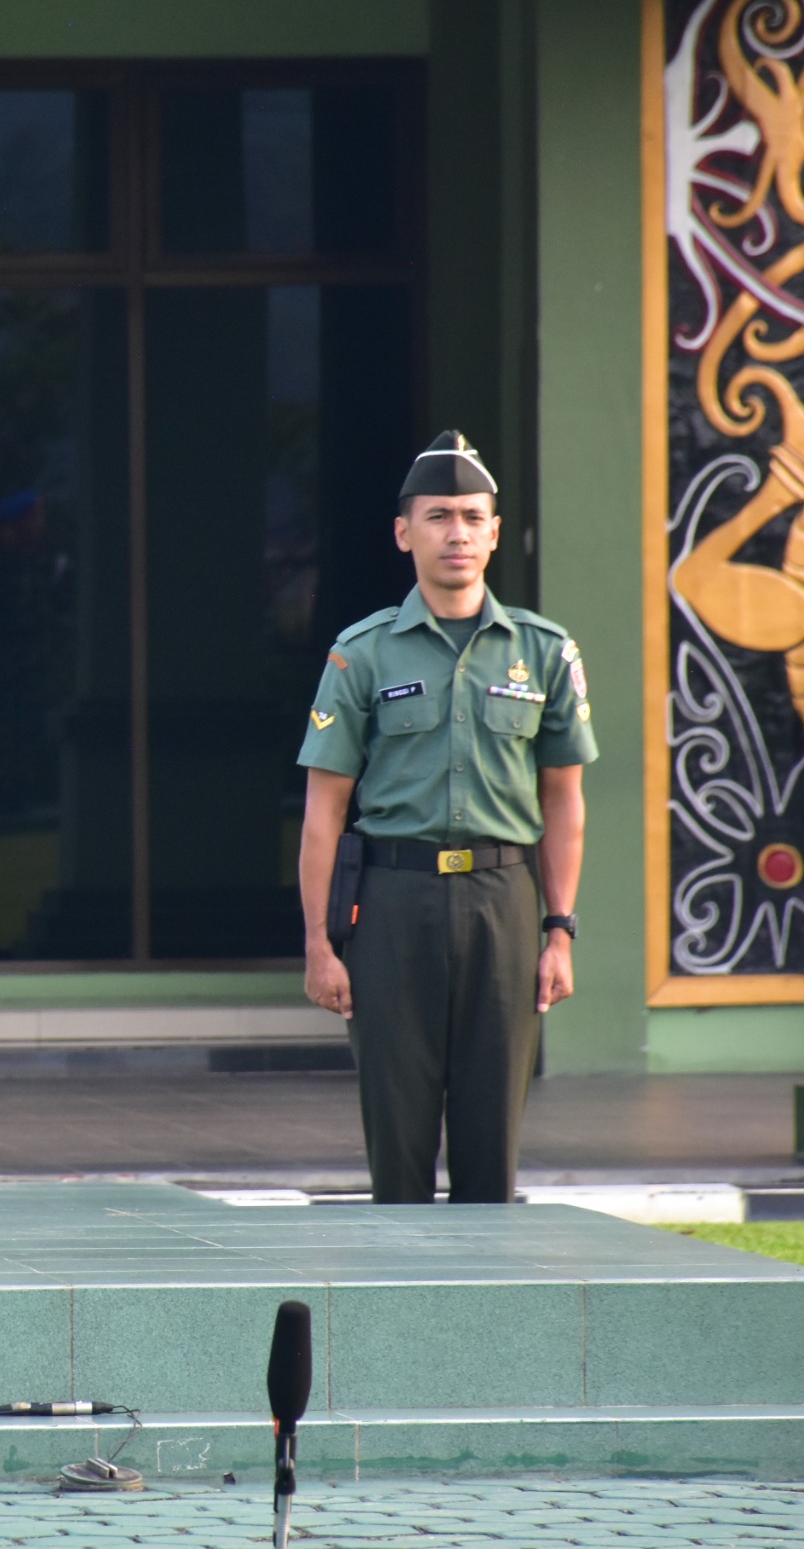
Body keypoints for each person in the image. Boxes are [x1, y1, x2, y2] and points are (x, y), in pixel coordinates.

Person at [294, 431, 596, 1204]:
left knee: (493, 1134)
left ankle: (486, 1309)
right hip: (393, 905)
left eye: (472, 516)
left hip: (505, 903)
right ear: (405, 533)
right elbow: (325, 809)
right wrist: (320, 945)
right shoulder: (361, 655)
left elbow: (564, 799)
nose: (456, 532)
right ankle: (399, 1302)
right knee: (396, 1131)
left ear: (495, 531)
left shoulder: (544, 651)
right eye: (438, 516)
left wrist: (558, 929)